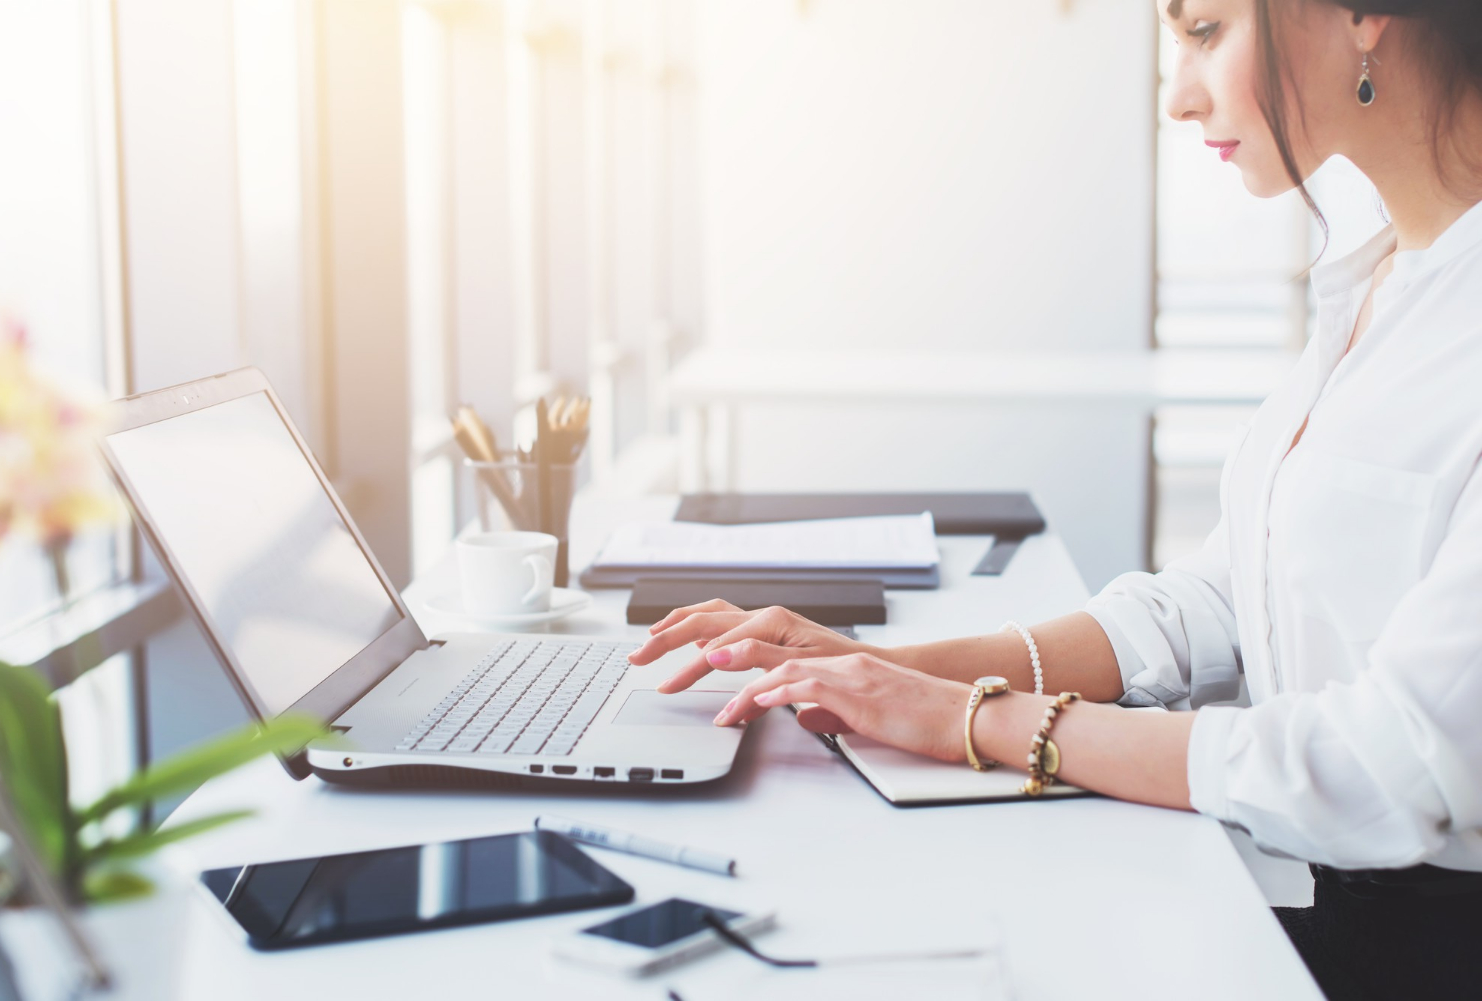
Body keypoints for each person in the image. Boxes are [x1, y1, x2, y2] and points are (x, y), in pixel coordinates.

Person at [628, 2, 1482, 997]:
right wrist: (883, 671)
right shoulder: (1379, 273)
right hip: (1338, 904)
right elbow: (1222, 602)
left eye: (1205, 29)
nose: (1177, 94)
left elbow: (1394, 766)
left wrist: (978, 721)